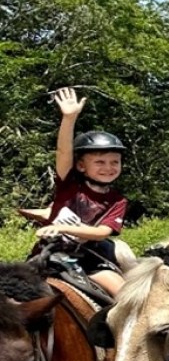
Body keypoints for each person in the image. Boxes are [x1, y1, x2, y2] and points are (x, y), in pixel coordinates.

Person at [36, 87, 129, 296]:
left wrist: (61, 228)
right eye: (100, 162)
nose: (108, 167)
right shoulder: (69, 185)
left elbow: (101, 233)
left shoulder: (117, 201)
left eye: (115, 162)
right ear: (81, 166)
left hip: (89, 261)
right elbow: (63, 152)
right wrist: (69, 119)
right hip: (49, 254)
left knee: (127, 298)